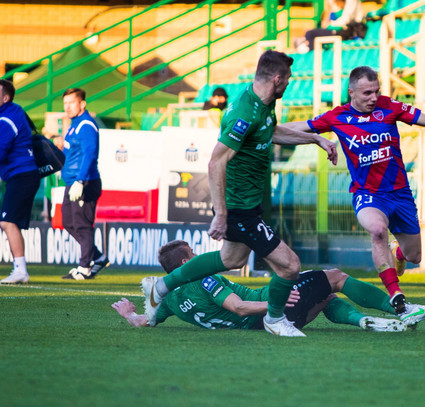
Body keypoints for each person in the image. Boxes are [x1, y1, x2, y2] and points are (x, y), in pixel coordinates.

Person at [140, 50, 338, 337]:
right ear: (277, 78)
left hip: (248, 203)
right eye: (288, 80)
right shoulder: (244, 112)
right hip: (238, 207)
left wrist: (315, 138)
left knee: (232, 260)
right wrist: (221, 214)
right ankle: (275, 318)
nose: (289, 85)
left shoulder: (262, 105)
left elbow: (270, 132)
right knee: (290, 265)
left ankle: (161, 286)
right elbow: (216, 161)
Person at [283, 66, 425, 325]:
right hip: (368, 195)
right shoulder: (336, 117)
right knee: (377, 230)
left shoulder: (390, 107)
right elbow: (295, 128)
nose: (373, 97)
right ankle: (397, 297)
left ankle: (397, 253)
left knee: (414, 257)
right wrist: (263, 130)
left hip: (400, 194)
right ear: (351, 92)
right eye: (367, 93)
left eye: (376, 91)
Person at [115, 240, 406, 332]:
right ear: (183, 265)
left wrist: (129, 314)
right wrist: (275, 304)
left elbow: (145, 321)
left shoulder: (168, 302)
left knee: (326, 297)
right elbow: (239, 307)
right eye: (192, 255)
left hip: (272, 322)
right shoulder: (205, 279)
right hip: (272, 309)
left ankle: (363, 320)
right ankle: (400, 308)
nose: (197, 259)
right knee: (336, 277)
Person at [60, 88, 109, 280]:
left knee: (82, 225)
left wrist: (80, 180)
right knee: (68, 222)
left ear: (82, 104)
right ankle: (98, 258)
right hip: (73, 182)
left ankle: (85, 267)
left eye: (72, 102)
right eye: (65, 103)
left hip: (85, 182)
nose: (68, 107)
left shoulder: (86, 125)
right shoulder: (75, 125)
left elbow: (90, 154)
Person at [0, 79, 41, 284]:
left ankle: (20, 270)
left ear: (5, 97)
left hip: (21, 175)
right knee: (9, 222)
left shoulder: (6, 120)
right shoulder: (13, 111)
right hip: (22, 175)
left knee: (7, 222)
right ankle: (19, 269)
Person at [298, 0, 365, 52]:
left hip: (347, 30)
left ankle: (312, 57)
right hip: (340, 29)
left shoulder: (350, 1)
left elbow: (345, 21)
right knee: (303, 37)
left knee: (310, 34)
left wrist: (329, 25)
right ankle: (309, 50)